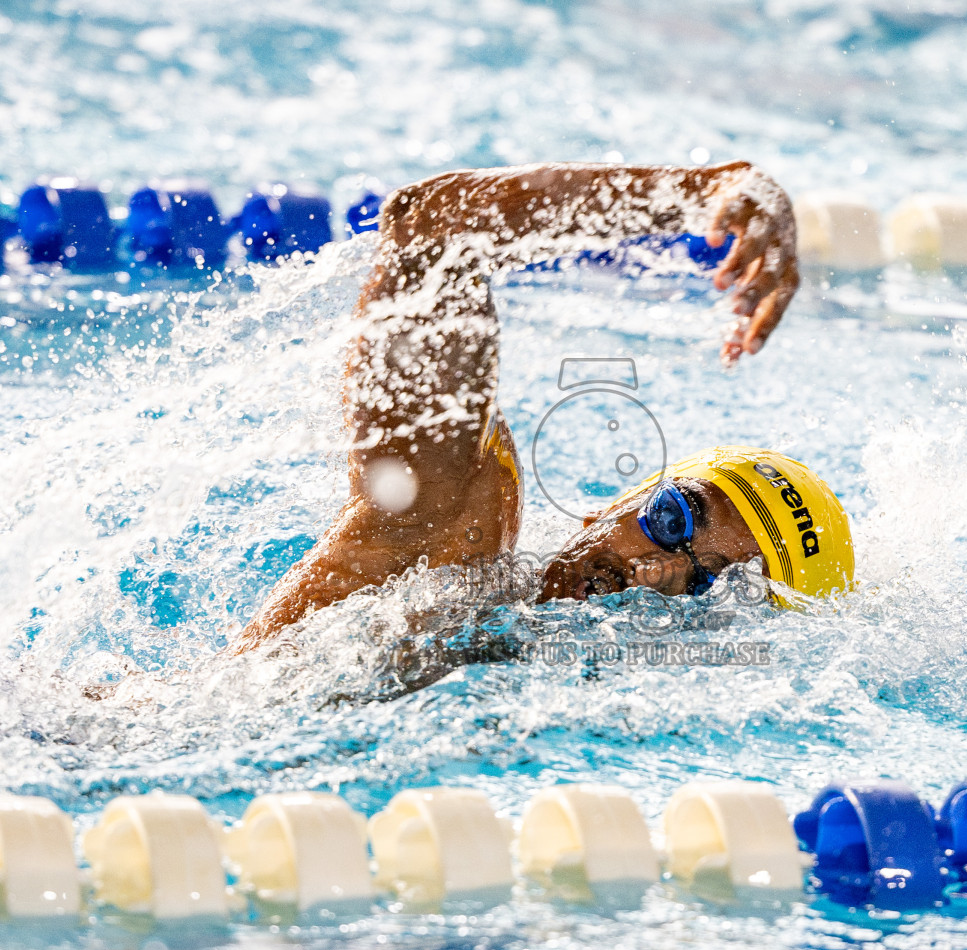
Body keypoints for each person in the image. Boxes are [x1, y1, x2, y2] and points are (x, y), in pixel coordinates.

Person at [232, 161, 854, 654]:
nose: (654, 573)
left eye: (712, 585)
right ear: (614, 503)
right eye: (674, 519)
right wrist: (707, 191)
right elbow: (432, 228)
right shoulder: (448, 529)